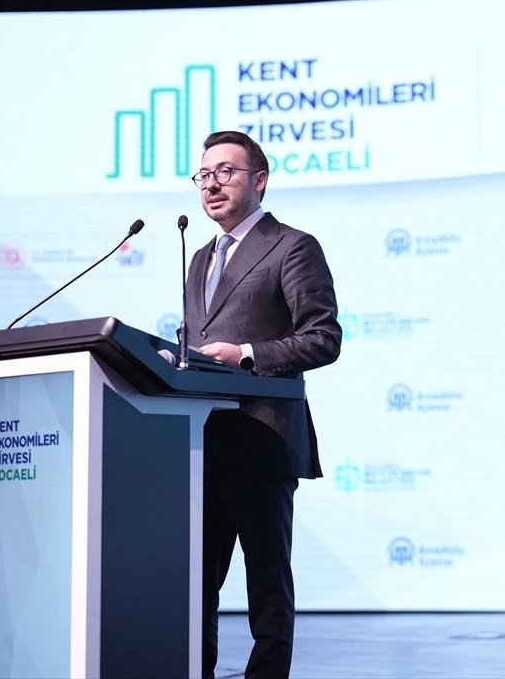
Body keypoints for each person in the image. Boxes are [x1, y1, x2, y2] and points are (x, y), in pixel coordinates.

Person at [185, 130, 341, 679]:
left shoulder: (292, 246)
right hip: (201, 443)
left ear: (260, 180)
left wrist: (247, 354)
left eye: (226, 172)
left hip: (262, 439)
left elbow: (323, 338)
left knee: (267, 588)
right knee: (194, 587)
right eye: (204, 175)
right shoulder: (200, 258)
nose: (212, 184)